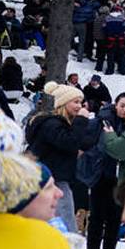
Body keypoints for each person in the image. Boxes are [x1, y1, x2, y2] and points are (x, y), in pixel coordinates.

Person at [27, 81, 95, 231]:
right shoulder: (51, 124)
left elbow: (80, 141)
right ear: (63, 103)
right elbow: (70, 142)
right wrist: (82, 120)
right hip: (51, 182)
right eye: (76, 102)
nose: (80, 106)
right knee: (67, 227)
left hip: (55, 180)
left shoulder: (63, 125)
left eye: (81, 102)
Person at [81, 92, 125, 249]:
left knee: (114, 217)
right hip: (101, 175)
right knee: (96, 216)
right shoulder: (101, 121)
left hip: (120, 179)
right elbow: (85, 141)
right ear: (116, 105)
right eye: (123, 105)